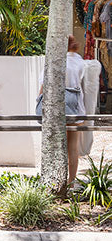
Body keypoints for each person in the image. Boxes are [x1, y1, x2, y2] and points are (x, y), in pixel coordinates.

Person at [37, 35, 85, 188]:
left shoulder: (53, 60)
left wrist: (39, 101)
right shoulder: (79, 61)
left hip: (57, 105)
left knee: (57, 146)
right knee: (73, 146)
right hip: (75, 106)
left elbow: (44, 85)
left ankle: (56, 182)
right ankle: (71, 182)